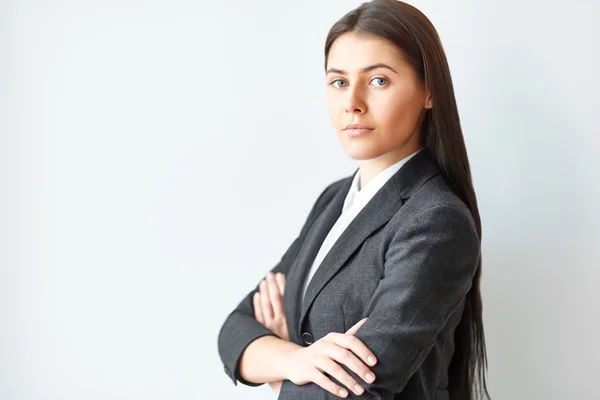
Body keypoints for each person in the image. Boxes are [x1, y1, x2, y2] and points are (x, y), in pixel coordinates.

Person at [217, 0, 490, 399]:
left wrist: (276, 373)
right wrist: (297, 360)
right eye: (339, 82)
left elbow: (360, 389)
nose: (353, 102)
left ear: (429, 91)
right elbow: (236, 331)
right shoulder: (335, 199)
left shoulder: (436, 220)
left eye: (378, 80)